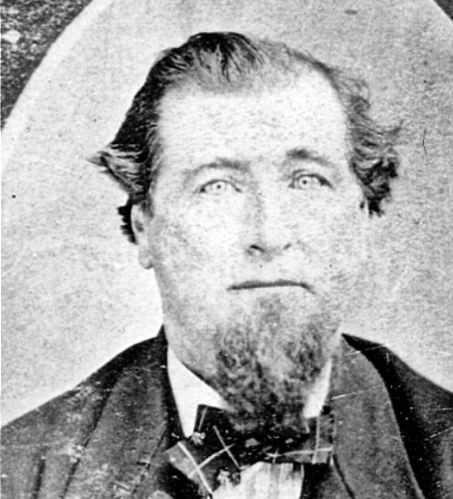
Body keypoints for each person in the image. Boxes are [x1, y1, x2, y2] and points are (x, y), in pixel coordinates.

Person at [1, 32, 452, 499]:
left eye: (307, 181)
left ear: (360, 217)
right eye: (217, 186)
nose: (269, 235)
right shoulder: (18, 473)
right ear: (144, 228)